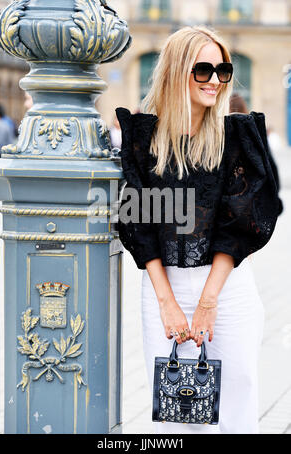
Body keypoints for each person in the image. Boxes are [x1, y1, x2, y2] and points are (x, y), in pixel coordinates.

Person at [115, 25, 283, 434]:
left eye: (222, 70)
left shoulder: (236, 135)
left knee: (237, 401)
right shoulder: (143, 138)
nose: (215, 80)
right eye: (202, 69)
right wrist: (167, 302)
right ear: (176, 71)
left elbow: (242, 222)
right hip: (164, 288)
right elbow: (138, 225)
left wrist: (209, 299)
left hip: (228, 289)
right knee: (178, 414)